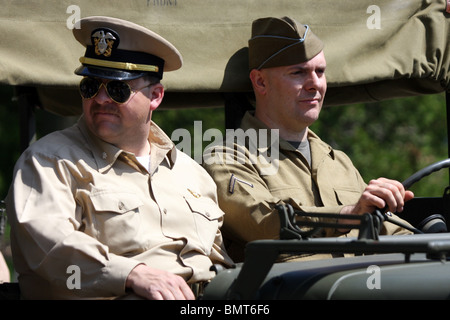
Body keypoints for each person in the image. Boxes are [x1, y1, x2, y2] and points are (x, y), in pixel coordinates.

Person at [6, 16, 233, 300]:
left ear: (156, 96)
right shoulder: (48, 162)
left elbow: (220, 261)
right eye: (90, 86)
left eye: (117, 89)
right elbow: (48, 247)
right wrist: (132, 274)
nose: (101, 99)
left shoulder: (192, 174)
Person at [203, 16, 415, 262]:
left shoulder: (339, 163)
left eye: (320, 71)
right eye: (298, 73)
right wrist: (350, 214)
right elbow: (266, 225)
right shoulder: (227, 159)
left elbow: (395, 233)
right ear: (260, 81)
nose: (315, 84)